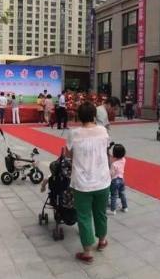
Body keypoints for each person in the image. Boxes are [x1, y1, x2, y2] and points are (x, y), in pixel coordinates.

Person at [65, 102, 110, 263]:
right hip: (102, 180)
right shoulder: (103, 130)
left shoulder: (73, 133)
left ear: (79, 116)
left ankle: (87, 252)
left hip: (82, 183)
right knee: (100, 212)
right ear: (94, 116)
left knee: (84, 216)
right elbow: (105, 149)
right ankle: (102, 241)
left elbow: (68, 155)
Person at [108, 144, 128, 215]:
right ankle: (125, 207)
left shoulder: (114, 164)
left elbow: (111, 173)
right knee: (122, 194)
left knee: (114, 195)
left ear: (114, 154)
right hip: (121, 179)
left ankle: (113, 210)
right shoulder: (124, 160)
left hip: (114, 181)